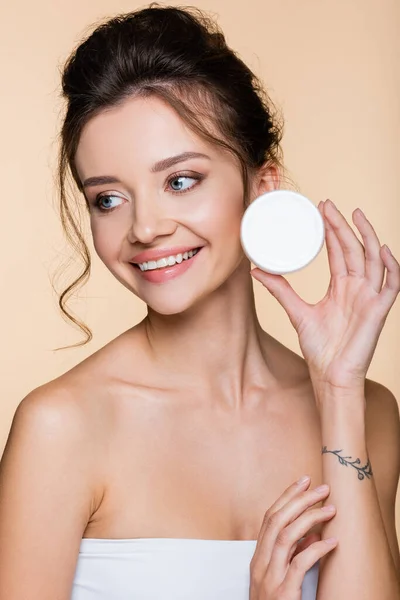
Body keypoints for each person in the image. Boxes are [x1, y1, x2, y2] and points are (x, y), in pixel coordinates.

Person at [0, 4, 399, 600]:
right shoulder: (62, 428)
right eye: (108, 198)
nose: (145, 228)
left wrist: (337, 391)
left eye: (180, 181)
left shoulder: (366, 412)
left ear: (262, 186)